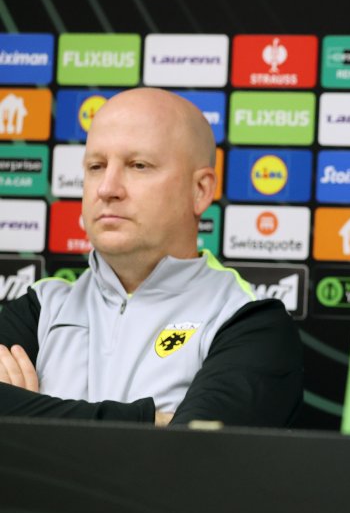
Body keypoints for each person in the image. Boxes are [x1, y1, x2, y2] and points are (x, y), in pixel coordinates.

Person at [0, 88, 303, 427]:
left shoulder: (248, 321)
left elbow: (193, 452)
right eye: (96, 166)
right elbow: (163, 443)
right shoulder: (41, 308)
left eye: (138, 165)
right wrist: (152, 420)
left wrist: (26, 415)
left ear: (200, 190)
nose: (107, 188)